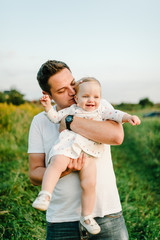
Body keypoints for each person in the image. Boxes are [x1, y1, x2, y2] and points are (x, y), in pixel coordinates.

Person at [28, 60, 133, 239]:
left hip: (107, 215)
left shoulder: (98, 103)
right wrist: (65, 170)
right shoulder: (40, 121)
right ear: (48, 95)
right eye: (62, 90)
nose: (72, 92)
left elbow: (116, 136)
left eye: (72, 83)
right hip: (61, 221)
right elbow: (34, 174)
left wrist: (69, 122)